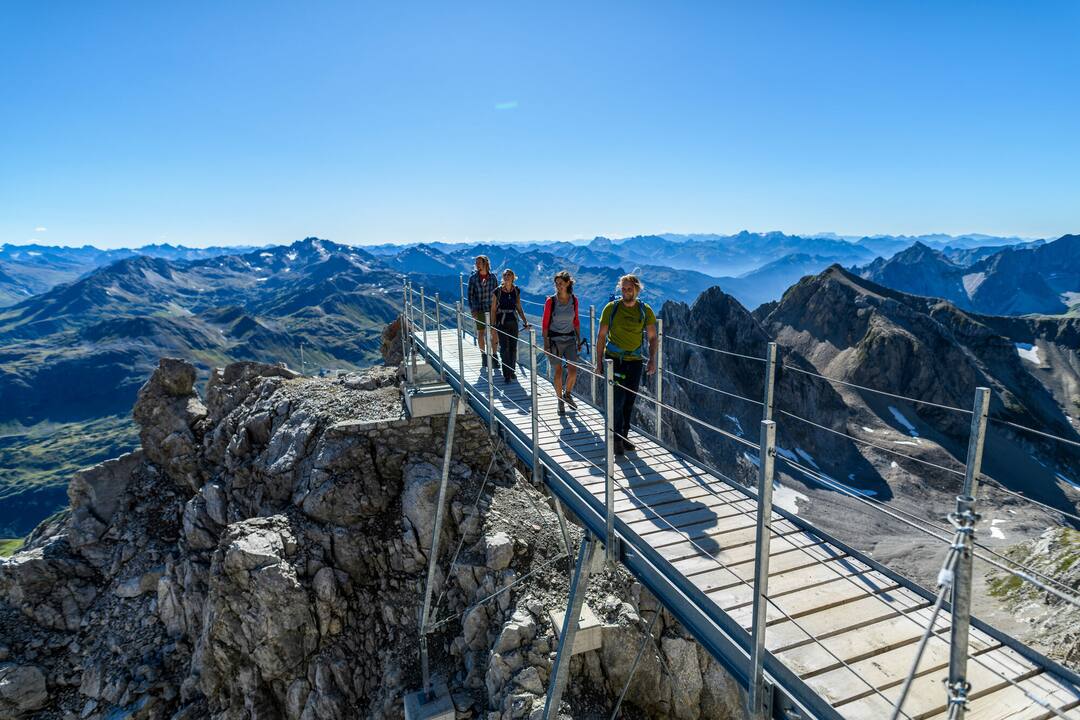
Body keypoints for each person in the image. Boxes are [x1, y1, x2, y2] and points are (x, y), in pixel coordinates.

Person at [595, 274, 657, 455]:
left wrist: (652, 359)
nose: (626, 292)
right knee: (617, 400)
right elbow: (601, 336)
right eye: (623, 289)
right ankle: (616, 439)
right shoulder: (611, 308)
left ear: (637, 290)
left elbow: (653, 337)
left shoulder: (645, 310)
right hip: (614, 361)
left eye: (629, 289)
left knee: (629, 401)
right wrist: (599, 363)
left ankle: (624, 436)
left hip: (635, 362)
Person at [542, 270, 581, 416]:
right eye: (556, 284)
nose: (558, 286)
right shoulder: (551, 301)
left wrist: (578, 338)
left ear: (568, 283)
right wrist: (546, 344)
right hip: (554, 341)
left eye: (561, 283)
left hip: (570, 339)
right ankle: (560, 401)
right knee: (558, 372)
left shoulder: (574, 300)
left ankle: (567, 394)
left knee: (573, 371)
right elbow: (545, 324)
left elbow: (576, 320)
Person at [490, 269, 530, 383]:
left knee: (513, 347)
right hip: (501, 322)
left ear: (513, 277)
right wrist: (493, 324)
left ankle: (512, 371)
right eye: (505, 275)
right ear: (503, 277)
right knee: (504, 348)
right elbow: (493, 309)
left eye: (509, 275)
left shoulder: (516, 290)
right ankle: (506, 373)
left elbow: (519, 306)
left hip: (513, 321)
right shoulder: (497, 291)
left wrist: (525, 321)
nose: (507, 276)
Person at [466, 255, 499, 368]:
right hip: (479, 309)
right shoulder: (473, 278)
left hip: (492, 309)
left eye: (479, 262)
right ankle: (484, 356)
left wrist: (497, 308)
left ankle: (494, 356)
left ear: (485, 263)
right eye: (476, 262)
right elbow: (470, 296)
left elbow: (497, 294)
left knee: (494, 332)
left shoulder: (493, 277)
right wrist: (473, 310)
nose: (477, 264)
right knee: (481, 333)